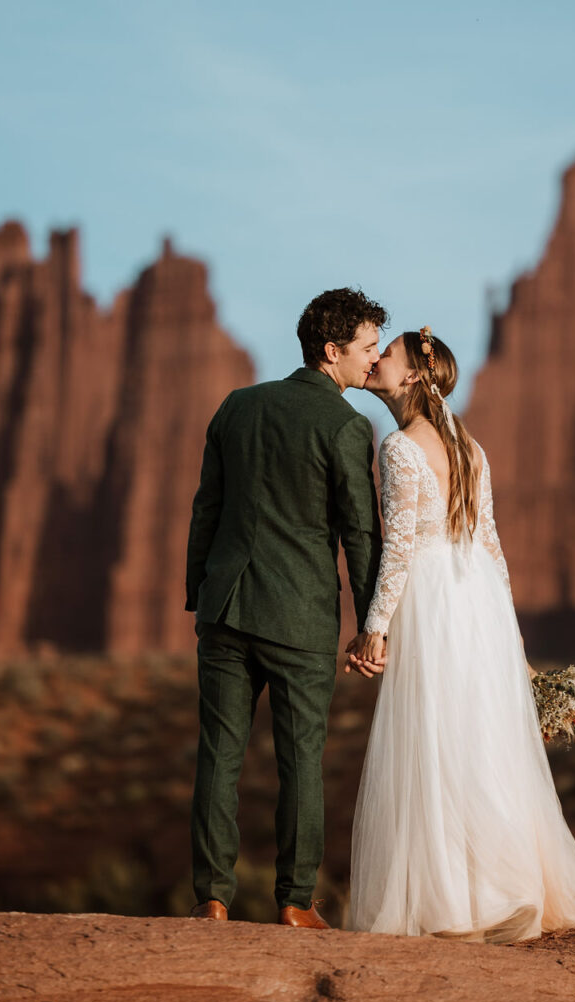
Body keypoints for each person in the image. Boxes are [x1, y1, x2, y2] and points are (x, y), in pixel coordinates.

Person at [346, 327, 575, 942]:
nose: (378, 360)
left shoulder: (399, 447)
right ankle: (504, 887)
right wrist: (511, 637)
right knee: (480, 739)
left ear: (412, 376)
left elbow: (402, 548)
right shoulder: (470, 446)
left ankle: (455, 903)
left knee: (435, 740)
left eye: (388, 355)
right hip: (478, 599)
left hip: (435, 599)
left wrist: (375, 629)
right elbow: (491, 545)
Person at [185, 287, 386, 928]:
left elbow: (207, 509)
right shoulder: (347, 427)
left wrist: (201, 590)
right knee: (301, 759)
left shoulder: (237, 407)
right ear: (332, 352)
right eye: (367, 348)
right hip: (298, 618)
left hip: (227, 605)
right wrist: (371, 624)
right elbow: (360, 532)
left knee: (219, 751)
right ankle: (296, 902)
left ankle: (211, 897)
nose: (374, 361)